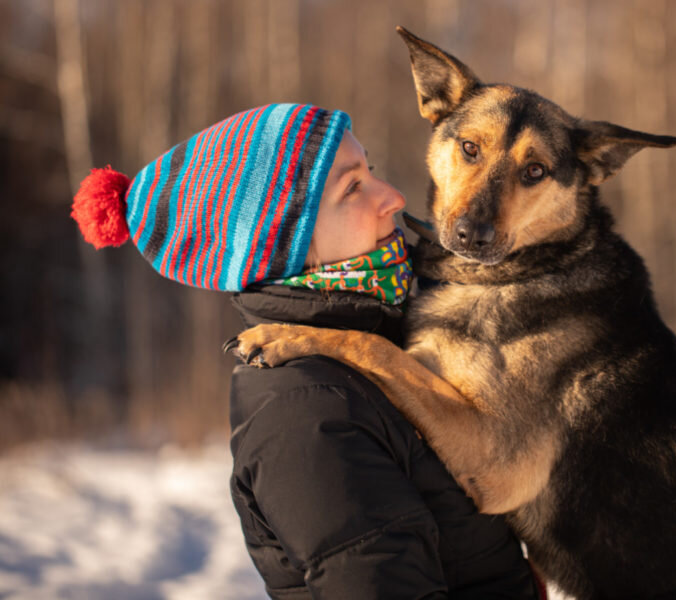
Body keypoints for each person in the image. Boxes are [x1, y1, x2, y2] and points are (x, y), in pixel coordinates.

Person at [71, 103, 540, 599]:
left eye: (371, 171)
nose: (394, 197)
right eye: (353, 188)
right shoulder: (306, 414)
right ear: (287, 246)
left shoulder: (392, 343)